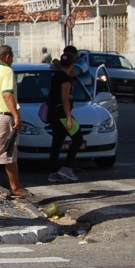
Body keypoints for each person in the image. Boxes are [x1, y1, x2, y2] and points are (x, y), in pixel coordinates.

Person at [0, 45, 29, 199]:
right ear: (7, 57)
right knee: (8, 152)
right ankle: (15, 187)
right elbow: (7, 94)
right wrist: (16, 116)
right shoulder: (7, 71)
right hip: (3, 115)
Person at [47, 52, 84, 183]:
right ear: (72, 65)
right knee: (78, 139)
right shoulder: (65, 79)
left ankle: (53, 172)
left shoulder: (56, 75)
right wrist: (69, 118)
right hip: (62, 113)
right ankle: (67, 167)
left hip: (53, 113)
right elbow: (65, 100)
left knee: (57, 142)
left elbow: (57, 63)